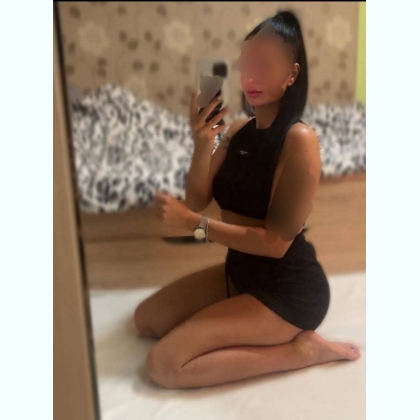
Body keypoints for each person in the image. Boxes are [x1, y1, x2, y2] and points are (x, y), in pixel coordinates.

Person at [134, 10, 361, 390]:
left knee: (164, 365)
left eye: (266, 64)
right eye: (248, 62)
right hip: (239, 272)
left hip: (287, 289)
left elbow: (275, 245)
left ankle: (302, 351)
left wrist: (194, 225)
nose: (252, 75)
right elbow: (197, 197)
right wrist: (202, 142)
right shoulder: (238, 130)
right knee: (146, 320)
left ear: (291, 74)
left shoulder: (300, 140)